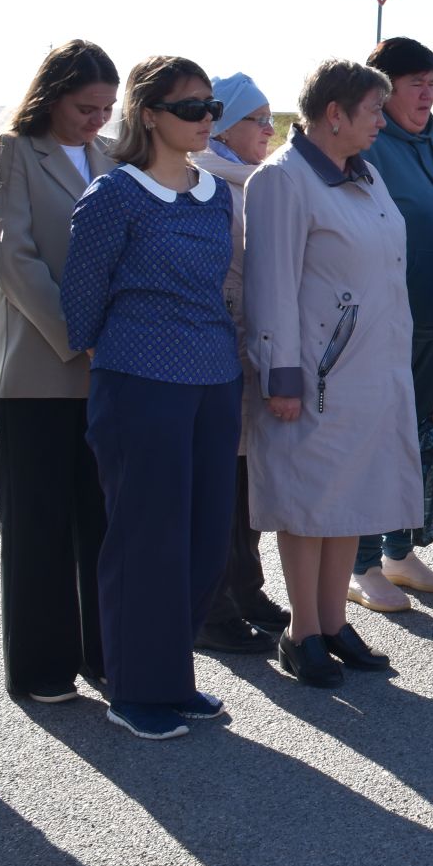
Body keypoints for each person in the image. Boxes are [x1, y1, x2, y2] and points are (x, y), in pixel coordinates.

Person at [60, 56, 240, 741]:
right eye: (190, 107)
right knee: (145, 539)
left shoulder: (215, 193)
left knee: (202, 536)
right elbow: (82, 299)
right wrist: (116, 355)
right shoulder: (115, 196)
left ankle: (173, 677)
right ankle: (134, 688)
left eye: (209, 105)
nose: (206, 118)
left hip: (213, 381)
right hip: (141, 384)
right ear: (151, 115)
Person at [244, 60, 420, 687]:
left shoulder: (365, 174)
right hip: (315, 371)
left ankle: (331, 622)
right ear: (334, 114)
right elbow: (271, 284)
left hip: (373, 366)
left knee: (351, 498)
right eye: (373, 109)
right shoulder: (282, 180)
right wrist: (280, 373)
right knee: (307, 500)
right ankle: (302, 632)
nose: (382, 119)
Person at [0, 40, 120, 704]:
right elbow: (14, 257)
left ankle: (106, 656)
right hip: (36, 373)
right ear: (52, 95)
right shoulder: (11, 151)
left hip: (104, 373)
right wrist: (79, 338)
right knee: (36, 527)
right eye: (85, 107)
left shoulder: (107, 155)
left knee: (101, 522)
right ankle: (42, 669)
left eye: (106, 109)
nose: (96, 120)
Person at [345, 38, 433, 613]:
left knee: (418, 439)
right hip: (388, 324)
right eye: (415, 81)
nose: (428, 91)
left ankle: (399, 549)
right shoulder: (368, 147)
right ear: (383, 88)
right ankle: (361, 561)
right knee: (379, 441)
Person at [186, 72, 288, 654]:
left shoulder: (253, 181)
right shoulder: (208, 180)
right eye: (259, 119)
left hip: (252, 347)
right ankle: (213, 606)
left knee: (247, 479)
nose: (270, 130)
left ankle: (247, 588)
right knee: (219, 480)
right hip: (220, 347)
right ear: (225, 127)